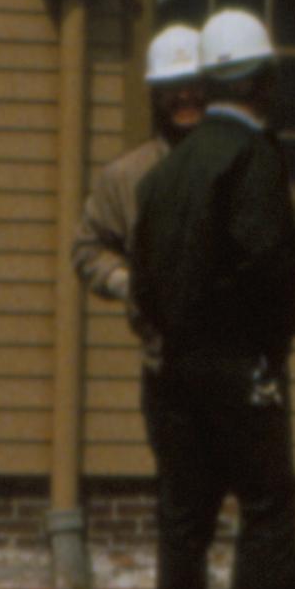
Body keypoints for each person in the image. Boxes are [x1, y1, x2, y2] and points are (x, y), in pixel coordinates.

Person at [128, 9, 295, 589]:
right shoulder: (254, 157)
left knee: (183, 524)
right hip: (239, 364)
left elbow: (144, 281)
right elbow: (265, 265)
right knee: (268, 511)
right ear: (265, 82)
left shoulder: (164, 173)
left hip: (174, 370)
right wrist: (266, 356)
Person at [72, 22, 210, 356]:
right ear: (154, 95)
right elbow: (87, 249)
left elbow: (294, 241)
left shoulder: (246, 162)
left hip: (241, 355)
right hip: (165, 355)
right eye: (171, 88)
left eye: (193, 85)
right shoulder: (125, 176)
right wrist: (128, 284)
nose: (184, 97)